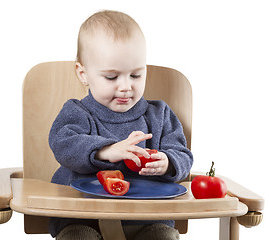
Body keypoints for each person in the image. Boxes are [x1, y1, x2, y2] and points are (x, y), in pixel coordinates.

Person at [48, 10, 193, 240]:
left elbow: (183, 155)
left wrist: (168, 163)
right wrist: (106, 151)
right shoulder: (77, 112)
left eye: (136, 75)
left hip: (148, 221)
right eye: (112, 77)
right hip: (81, 219)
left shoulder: (160, 114)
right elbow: (62, 144)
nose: (126, 86)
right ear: (83, 74)